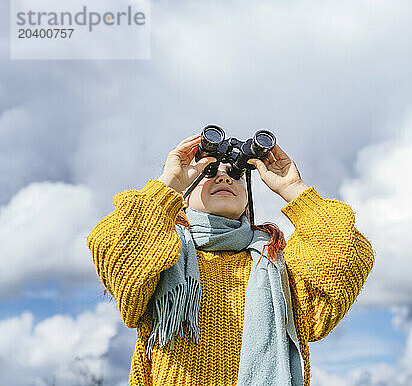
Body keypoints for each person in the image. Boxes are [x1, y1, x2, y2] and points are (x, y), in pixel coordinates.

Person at [87, 132, 375, 386]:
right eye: (209, 171)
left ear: (247, 200)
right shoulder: (162, 253)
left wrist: (294, 190)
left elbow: (348, 257)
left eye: (236, 174)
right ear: (184, 199)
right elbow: (112, 242)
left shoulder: (277, 263)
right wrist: (169, 183)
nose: (224, 177)